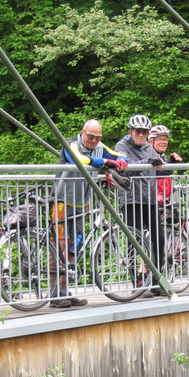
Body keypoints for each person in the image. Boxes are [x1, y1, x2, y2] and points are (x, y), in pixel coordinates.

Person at [52, 119, 128, 308]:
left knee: (74, 246)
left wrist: (120, 162)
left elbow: (121, 155)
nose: (94, 141)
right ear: (82, 133)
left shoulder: (99, 146)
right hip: (61, 200)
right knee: (60, 246)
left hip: (81, 203)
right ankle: (53, 294)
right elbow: (81, 160)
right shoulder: (71, 144)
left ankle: (64, 291)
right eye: (91, 136)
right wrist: (107, 162)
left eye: (98, 137)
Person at [115, 114, 166, 296]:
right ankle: (136, 282)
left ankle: (155, 280)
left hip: (149, 200)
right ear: (130, 131)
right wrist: (149, 162)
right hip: (131, 199)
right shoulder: (122, 146)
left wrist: (168, 163)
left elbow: (158, 168)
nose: (141, 135)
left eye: (145, 132)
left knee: (158, 239)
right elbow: (125, 164)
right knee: (134, 241)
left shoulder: (148, 148)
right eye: (138, 131)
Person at [148, 124, 181, 207]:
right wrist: (172, 163)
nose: (163, 142)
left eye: (165, 139)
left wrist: (172, 161)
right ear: (151, 141)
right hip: (150, 202)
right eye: (159, 139)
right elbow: (160, 172)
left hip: (164, 201)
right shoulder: (147, 157)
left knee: (177, 218)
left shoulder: (163, 157)